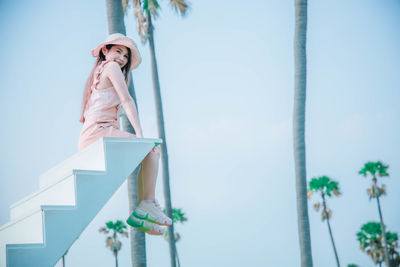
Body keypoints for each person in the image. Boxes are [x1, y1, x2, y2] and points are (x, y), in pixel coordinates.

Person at [78, 33, 172, 235]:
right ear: (105, 51)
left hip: (94, 134)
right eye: (118, 51)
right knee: (151, 149)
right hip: (98, 134)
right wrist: (140, 135)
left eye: (126, 56)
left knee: (146, 153)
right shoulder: (111, 67)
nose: (122, 58)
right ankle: (146, 204)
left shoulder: (101, 71)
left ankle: (146, 208)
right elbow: (127, 100)